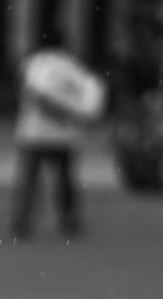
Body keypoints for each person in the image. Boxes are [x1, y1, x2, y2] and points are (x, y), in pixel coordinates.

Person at [11, 24, 105, 240]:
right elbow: (93, 91)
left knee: (30, 180)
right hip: (64, 134)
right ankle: (69, 219)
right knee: (64, 179)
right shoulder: (71, 66)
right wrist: (78, 115)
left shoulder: (34, 63)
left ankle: (23, 219)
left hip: (33, 133)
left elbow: (33, 93)